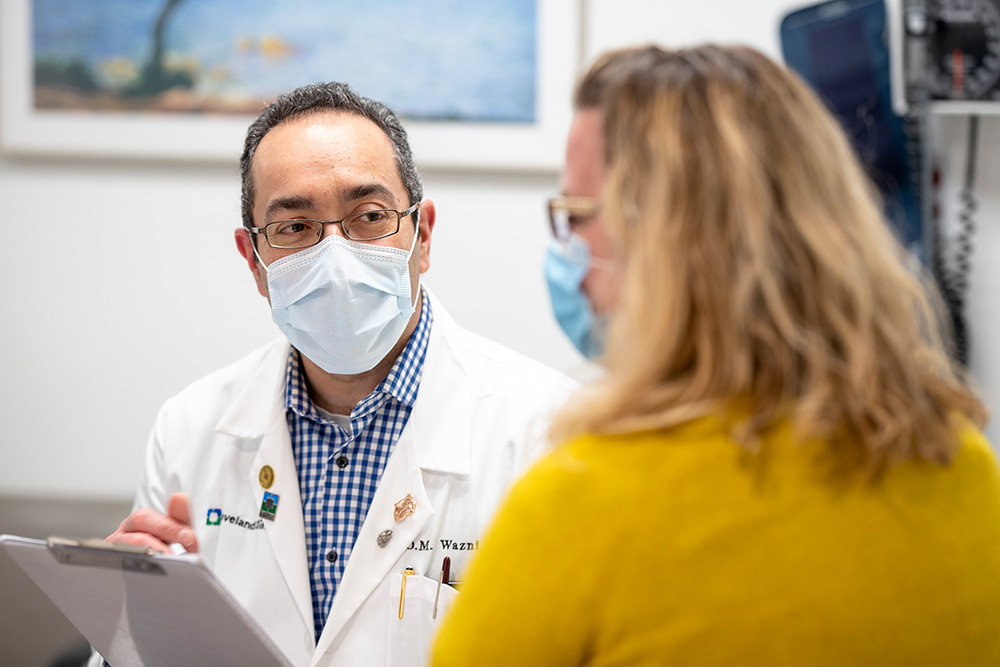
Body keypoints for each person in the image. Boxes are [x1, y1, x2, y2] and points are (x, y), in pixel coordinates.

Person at [431, 45, 1000, 666]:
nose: (569, 261)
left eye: (575, 216)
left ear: (664, 243)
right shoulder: (962, 467)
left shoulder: (582, 507)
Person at [96, 82, 577, 667]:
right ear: (254, 261)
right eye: (295, 228)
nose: (336, 256)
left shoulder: (553, 432)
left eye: (369, 217)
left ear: (421, 236)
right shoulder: (190, 428)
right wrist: (132, 614)